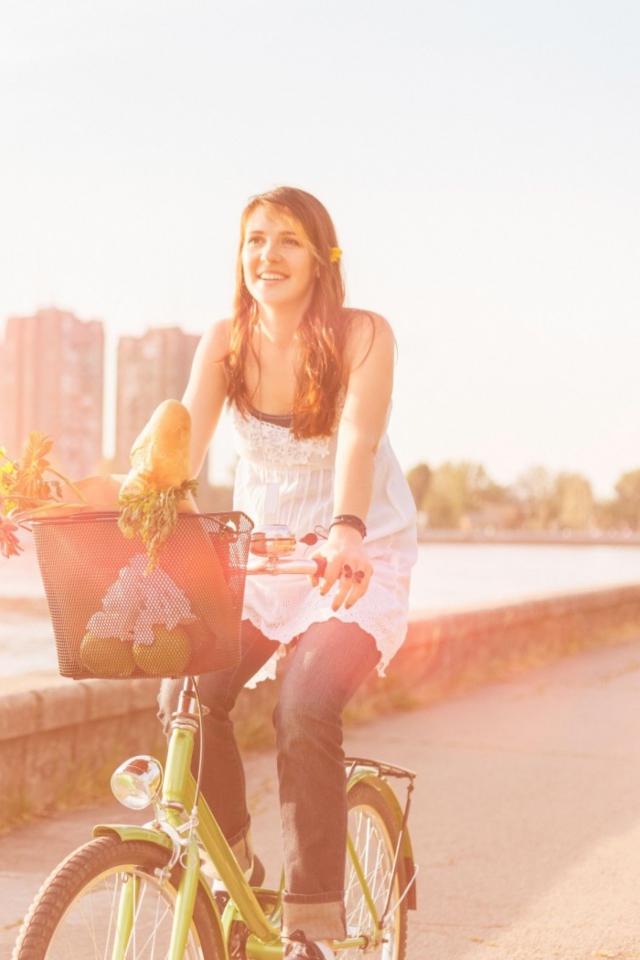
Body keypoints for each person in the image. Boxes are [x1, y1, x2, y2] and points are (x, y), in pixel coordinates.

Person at [158, 186, 418, 960]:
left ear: (320, 257)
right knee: (183, 694)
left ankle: (310, 925)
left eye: (287, 241)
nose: (266, 255)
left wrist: (346, 527)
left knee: (304, 702)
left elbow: (357, 442)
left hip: (353, 562)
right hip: (263, 565)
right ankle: (237, 875)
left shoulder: (362, 334)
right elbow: (172, 462)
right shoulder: (223, 342)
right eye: (254, 241)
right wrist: (52, 506)